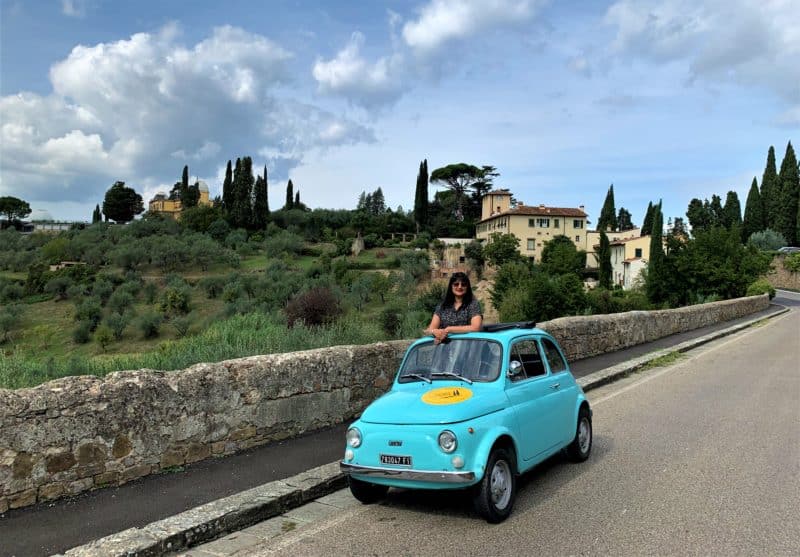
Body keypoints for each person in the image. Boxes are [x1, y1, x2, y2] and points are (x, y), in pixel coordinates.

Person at [424, 272, 483, 344]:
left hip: (468, 348)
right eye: (456, 284)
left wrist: (449, 329)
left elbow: (476, 327)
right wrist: (435, 332)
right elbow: (430, 329)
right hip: (446, 349)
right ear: (451, 286)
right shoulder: (442, 306)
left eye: (463, 284)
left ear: (467, 287)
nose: (460, 287)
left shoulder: (473, 304)